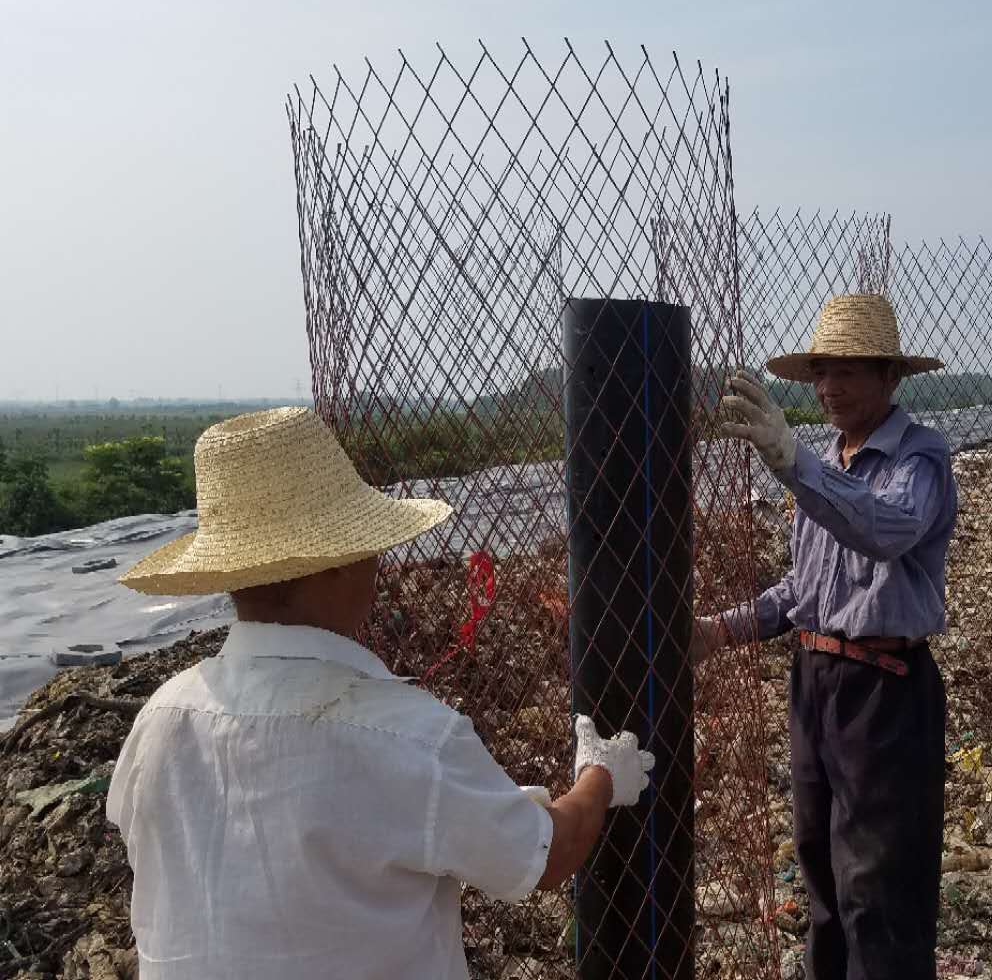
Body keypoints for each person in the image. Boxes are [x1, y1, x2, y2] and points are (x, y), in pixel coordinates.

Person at [107, 406, 653, 980]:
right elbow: (550, 854)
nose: (377, 562)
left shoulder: (159, 718)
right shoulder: (410, 737)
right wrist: (601, 775)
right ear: (336, 566)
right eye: (366, 545)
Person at [694, 294, 958, 980]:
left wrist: (792, 463)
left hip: (883, 691)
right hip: (816, 683)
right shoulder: (827, 467)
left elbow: (885, 528)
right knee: (821, 872)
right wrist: (718, 631)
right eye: (820, 372)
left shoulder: (919, 459)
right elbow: (802, 592)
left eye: (847, 371)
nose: (829, 388)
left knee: (878, 888)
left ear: (889, 377)